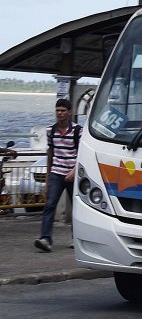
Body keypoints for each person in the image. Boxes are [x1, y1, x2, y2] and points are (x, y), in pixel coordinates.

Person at [34, 99, 82, 252]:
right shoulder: (51, 131)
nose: (60, 113)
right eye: (57, 110)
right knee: (49, 205)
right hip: (56, 172)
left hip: (72, 173)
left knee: (77, 208)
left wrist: (74, 171)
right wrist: (49, 174)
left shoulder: (77, 131)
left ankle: (77, 237)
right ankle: (46, 239)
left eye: (62, 110)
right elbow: (51, 152)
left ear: (69, 112)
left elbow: (81, 154)